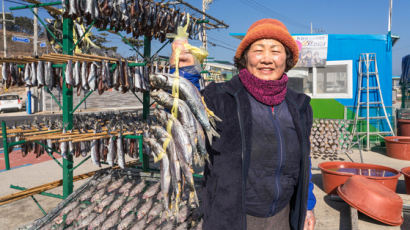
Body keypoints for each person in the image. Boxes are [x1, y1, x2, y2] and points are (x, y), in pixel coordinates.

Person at [201, 18, 316, 230]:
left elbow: (304, 160)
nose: (266, 59)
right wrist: (184, 72)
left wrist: (307, 205)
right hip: (233, 217)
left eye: (275, 51)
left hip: (282, 215)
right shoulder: (219, 98)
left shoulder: (299, 106)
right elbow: (179, 119)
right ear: (245, 58)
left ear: (287, 59)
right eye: (258, 50)